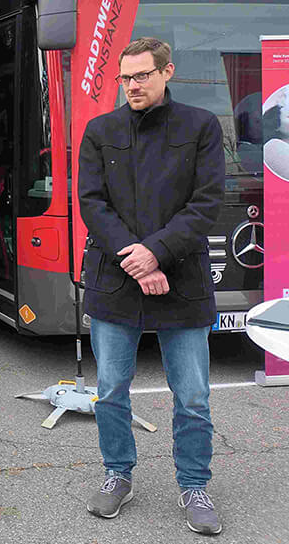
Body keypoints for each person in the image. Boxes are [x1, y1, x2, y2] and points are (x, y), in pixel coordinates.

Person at [78, 37, 224, 535]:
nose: (133, 85)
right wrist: (140, 261)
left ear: (167, 72)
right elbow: (93, 205)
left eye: (142, 75)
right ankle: (118, 475)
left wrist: (156, 253)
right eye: (126, 78)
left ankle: (194, 485)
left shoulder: (201, 127)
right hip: (116, 281)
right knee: (111, 390)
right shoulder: (100, 130)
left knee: (193, 398)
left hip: (180, 282)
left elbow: (205, 204)